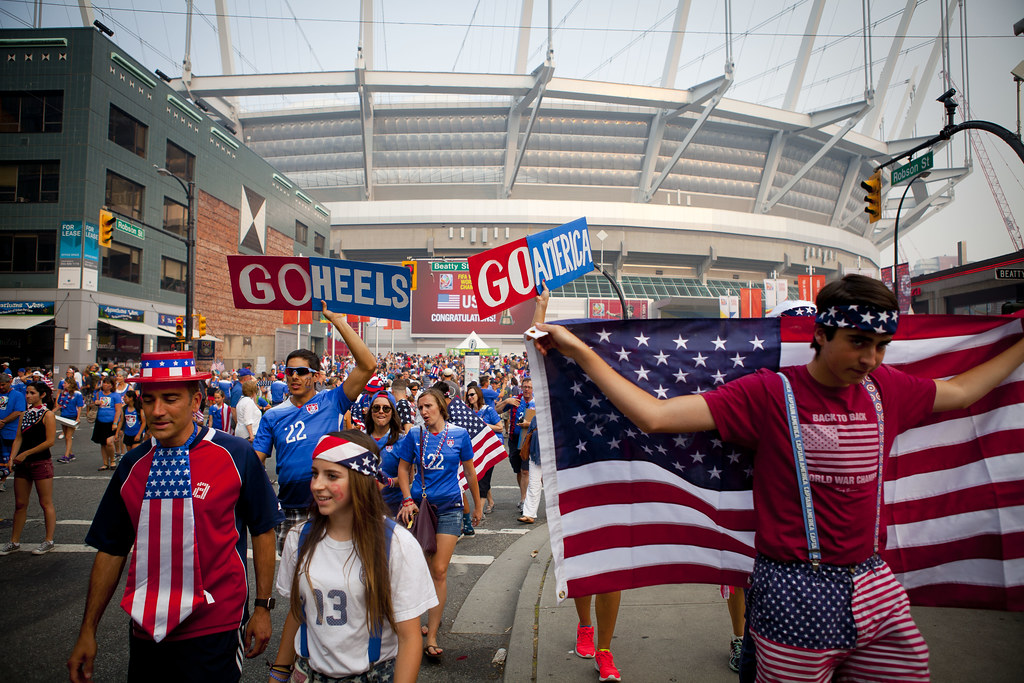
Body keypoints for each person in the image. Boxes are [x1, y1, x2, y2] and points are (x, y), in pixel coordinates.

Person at [535, 274, 1024, 681]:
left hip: (875, 583)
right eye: (858, 342)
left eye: (880, 346)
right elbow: (656, 417)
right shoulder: (770, 395)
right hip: (794, 587)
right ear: (821, 334)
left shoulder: (887, 389)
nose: (870, 359)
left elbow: (960, 392)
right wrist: (579, 351)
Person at [66, 350, 284, 683]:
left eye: (170, 399)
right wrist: (87, 630)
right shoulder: (131, 466)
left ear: (195, 400)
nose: (157, 411)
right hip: (147, 630)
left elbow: (264, 529)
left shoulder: (236, 455)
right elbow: (111, 548)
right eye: (149, 400)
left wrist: (262, 607)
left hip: (217, 625)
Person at [267, 430, 437, 683]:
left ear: (361, 480)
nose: (317, 485)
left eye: (332, 475)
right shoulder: (299, 538)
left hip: (372, 674)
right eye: (315, 473)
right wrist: (280, 672)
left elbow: (409, 637)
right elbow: (298, 612)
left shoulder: (397, 545)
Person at [255, 302, 377, 554]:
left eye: (302, 371)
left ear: (316, 376)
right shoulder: (272, 415)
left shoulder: (332, 400)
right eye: (289, 372)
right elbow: (256, 463)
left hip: (334, 504)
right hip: (290, 507)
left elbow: (367, 365)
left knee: (336, 575)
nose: (294, 377)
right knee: (295, 584)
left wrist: (337, 320)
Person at [395, 387, 482, 660]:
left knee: (440, 570)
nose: (424, 412)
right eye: (420, 408)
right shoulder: (414, 435)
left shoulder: (459, 435)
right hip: (421, 510)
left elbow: (469, 469)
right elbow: (402, 468)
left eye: (428, 406)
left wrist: (477, 504)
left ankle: (431, 635)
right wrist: (407, 498)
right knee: (421, 567)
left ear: (441, 407)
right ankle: (420, 619)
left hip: (450, 509)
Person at [0, 381, 57, 556]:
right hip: (23, 464)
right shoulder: (24, 414)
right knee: (20, 504)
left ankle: (49, 540)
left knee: (45, 502)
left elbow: (50, 441)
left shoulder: (47, 415)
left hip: (41, 462)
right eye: (27, 392)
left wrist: (26, 453)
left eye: (32, 393)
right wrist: (12, 458)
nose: (28, 396)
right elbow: (18, 438)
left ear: (42, 395)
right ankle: (14, 541)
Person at [365, 391, 406, 516]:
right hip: (366, 510)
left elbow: (409, 477)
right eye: (376, 408)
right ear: (371, 411)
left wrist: (387, 482)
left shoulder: (402, 440)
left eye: (386, 408)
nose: (381, 411)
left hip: (394, 510)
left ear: (393, 412)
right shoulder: (360, 439)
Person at [496, 377, 534, 510]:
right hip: (513, 440)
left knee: (525, 471)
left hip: (530, 442)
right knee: (518, 470)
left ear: (533, 389)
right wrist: (506, 400)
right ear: (521, 387)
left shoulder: (538, 401)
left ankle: (525, 500)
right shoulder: (516, 400)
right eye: (525, 387)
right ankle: (523, 495)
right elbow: (497, 410)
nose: (527, 390)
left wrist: (529, 424)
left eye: (529, 387)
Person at [464, 384, 502, 515]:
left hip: (489, 449)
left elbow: (500, 427)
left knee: (483, 477)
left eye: (472, 394)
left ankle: (479, 510)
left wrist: (484, 425)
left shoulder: (489, 410)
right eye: (468, 395)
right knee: (481, 475)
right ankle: (490, 502)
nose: (470, 397)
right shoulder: (469, 412)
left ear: (478, 395)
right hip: (475, 448)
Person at [0, 373, 26, 492]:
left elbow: (19, 411)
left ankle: (2, 481)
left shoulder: (17, 395)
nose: (1, 387)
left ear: (9, 383)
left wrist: (4, 421)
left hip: (10, 432)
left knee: (8, 457)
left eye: (3, 385)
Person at [91, 375, 122, 471]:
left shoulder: (116, 395)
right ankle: (105, 463)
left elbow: (118, 410)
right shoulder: (98, 394)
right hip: (100, 421)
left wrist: (115, 423)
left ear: (112, 385)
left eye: (108, 383)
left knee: (109, 442)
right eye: (104, 382)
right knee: (102, 443)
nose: (106, 385)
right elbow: (92, 405)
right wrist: (95, 402)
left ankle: (112, 460)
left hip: (111, 421)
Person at [56, 377, 85, 463]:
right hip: (63, 416)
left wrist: (78, 418)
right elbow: (59, 405)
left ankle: (66, 456)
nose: (63, 385)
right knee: (66, 436)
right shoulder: (63, 393)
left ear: (70, 384)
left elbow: (80, 406)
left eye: (65, 383)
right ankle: (71, 454)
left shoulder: (77, 394)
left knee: (68, 436)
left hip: (72, 417)